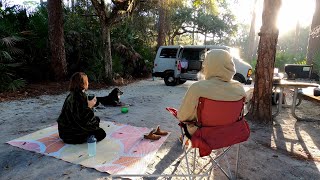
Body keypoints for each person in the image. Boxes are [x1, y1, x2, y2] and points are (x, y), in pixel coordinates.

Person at [177, 49, 246, 139]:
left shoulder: (197, 88)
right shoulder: (239, 88)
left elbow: (183, 116)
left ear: (209, 65)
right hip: (230, 134)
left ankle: (183, 139)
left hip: (203, 134)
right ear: (230, 65)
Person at [57, 72, 106, 144]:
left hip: (63, 132)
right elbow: (84, 120)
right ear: (82, 83)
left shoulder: (71, 95)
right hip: (72, 135)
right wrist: (90, 106)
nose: (88, 83)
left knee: (97, 119)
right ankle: (85, 138)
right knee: (101, 133)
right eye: (87, 81)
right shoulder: (80, 97)